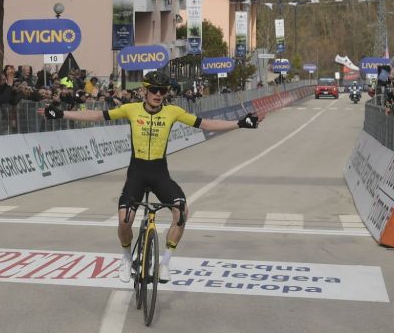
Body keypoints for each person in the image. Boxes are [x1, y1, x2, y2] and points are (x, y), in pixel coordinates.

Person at [40, 70, 261, 284]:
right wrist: (60, 114)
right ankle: (126, 258)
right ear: (145, 91)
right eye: (154, 89)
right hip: (137, 172)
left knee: (182, 211)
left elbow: (205, 124)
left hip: (159, 173)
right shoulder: (131, 109)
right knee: (124, 220)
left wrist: (239, 123)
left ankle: (165, 262)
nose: (158, 94)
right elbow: (98, 115)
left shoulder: (173, 112)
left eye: (162, 90)